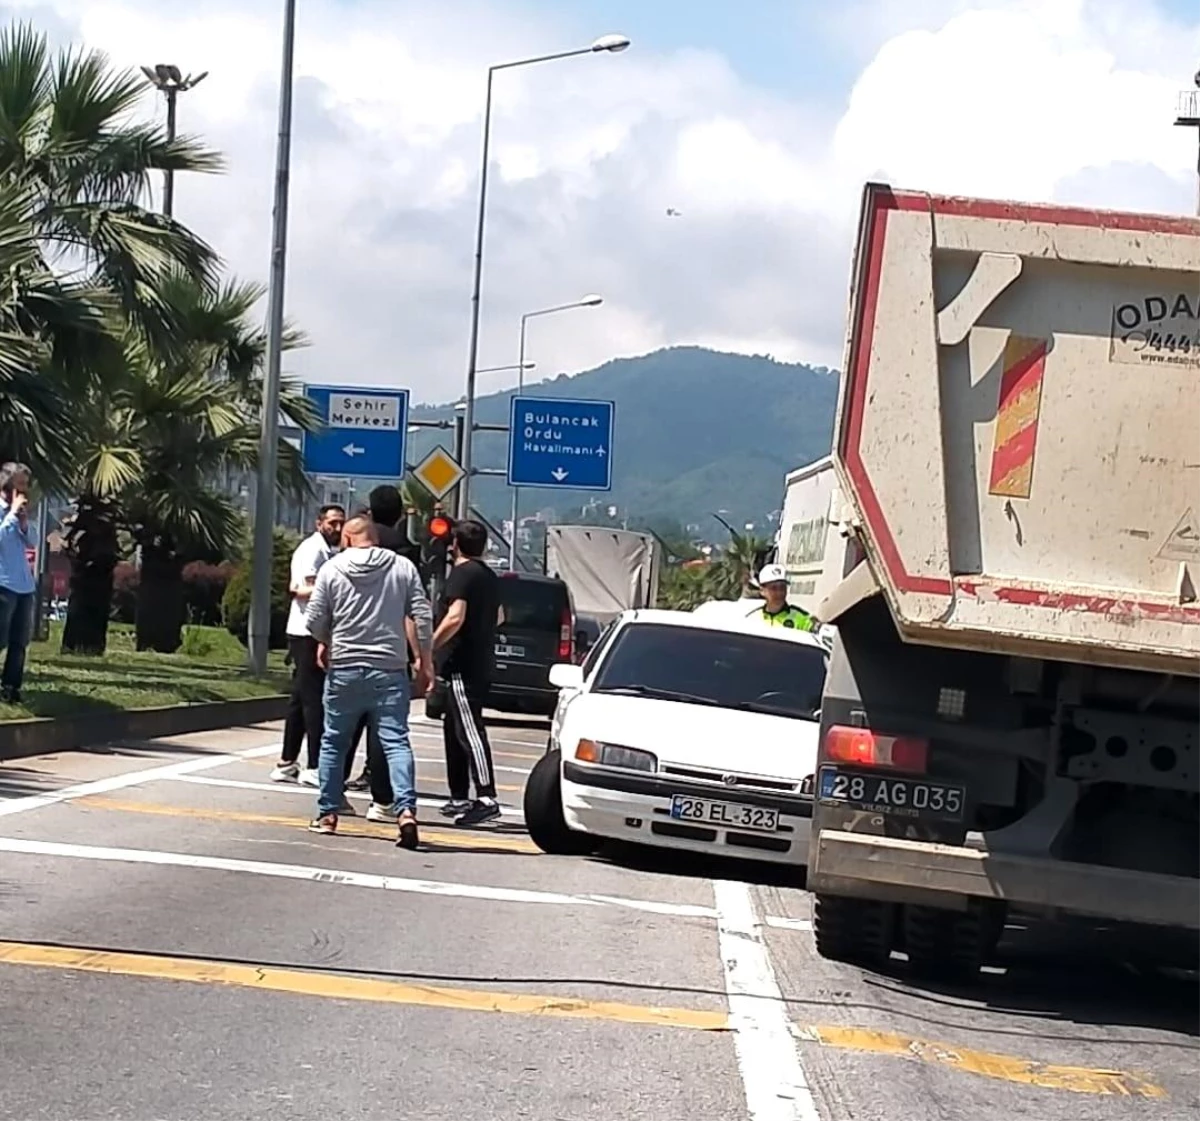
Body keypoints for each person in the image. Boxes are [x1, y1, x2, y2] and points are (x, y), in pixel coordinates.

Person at [304, 515, 432, 847]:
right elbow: (422, 614)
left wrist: (327, 641)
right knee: (396, 741)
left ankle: (328, 814)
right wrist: (424, 660)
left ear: (347, 538)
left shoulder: (332, 568)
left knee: (334, 741)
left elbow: (315, 618)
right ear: (374, 538)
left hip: (345, 666)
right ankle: (405, 811)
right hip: (389, 668)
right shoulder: (402, 567)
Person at [432, 519, 501, 827]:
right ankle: (458, 795)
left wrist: (429, 645)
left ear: (456, 544)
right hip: (479, 660)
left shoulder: (462, 574)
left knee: (469, 730)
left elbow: (455, 616)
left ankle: (486, 796)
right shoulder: (488, 576)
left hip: (463, 664)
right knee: (454, 729)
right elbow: (500, 616)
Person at [271, 504, 346, 786]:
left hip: (314, 630)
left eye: (341, 523)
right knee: (314, 698)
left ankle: (287, 761)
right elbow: (302, 589)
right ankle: (315, 765)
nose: (337, 529)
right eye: (332, 523)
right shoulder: (312, 550)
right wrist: (337, 584)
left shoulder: (329, 552)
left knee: (299, 698)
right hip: (306, 631)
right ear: (319, 524)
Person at [0, 462, 35, 704]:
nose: (23, 489)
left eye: (25, 484)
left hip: (24, 585)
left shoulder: (20, 513)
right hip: (3, 583)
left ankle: (11, 688)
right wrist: (11, 514)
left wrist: (23, 522)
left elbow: (31, 541)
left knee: (19, 641)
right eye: (19, 484)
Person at [749, 563, 817, 631]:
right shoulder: (753, 618)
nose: (779, 592)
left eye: (782, 587)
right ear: (762, 591)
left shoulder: (802, 618)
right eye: (774, 588)